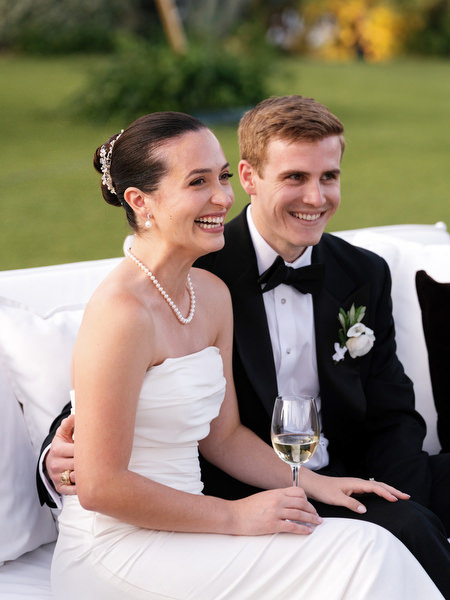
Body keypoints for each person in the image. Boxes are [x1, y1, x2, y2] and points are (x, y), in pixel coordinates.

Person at [47, 111, 443, 599]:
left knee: (376, 545)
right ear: (140, 201)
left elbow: (224, 435)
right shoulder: (122, 311)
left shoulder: (208, 293)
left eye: (222, 177)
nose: (222, 197)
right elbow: (99, 480)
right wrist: (236, 516)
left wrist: (321, 486)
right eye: (198, 182)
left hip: (210, 516)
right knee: (370, 551)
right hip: (126, 542)